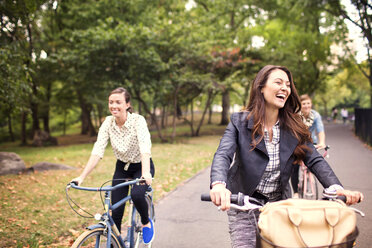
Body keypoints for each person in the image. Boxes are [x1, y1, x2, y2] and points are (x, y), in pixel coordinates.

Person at [208, 65, 363, 248]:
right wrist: (218, 185)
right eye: (278, 82)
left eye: (288, 85)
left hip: (278, 205)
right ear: (261, 87)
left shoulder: (294, 125)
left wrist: (336, 188)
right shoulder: (240, 121)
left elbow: (314, 159)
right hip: (244, 203)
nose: (285, 88)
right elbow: (223, 154)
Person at [70, 87, 155, 244]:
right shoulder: (107, 123)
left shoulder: (138, 120)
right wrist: (81, 177)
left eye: (118, 102)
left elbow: (144, 148)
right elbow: (97, 151)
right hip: (122, 168)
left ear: (127, 104)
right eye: (111, 102)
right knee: (115, 211)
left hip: (141, 166)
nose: (114, 106)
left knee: (137, 195)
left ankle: (145, 221)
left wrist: (145, 173)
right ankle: (114, 243)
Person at [290, 94, 325, 198]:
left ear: (311, 104)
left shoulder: (316, 115)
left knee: (313, 162)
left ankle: (310, 177)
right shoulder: (296, 116)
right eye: (304, 103)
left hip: (310, 142)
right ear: (300, 105)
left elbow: (320, 130)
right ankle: (296, 192)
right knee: (294, 166)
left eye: (308, 103)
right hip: (296, 142)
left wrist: (322, 142)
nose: (306, 105)